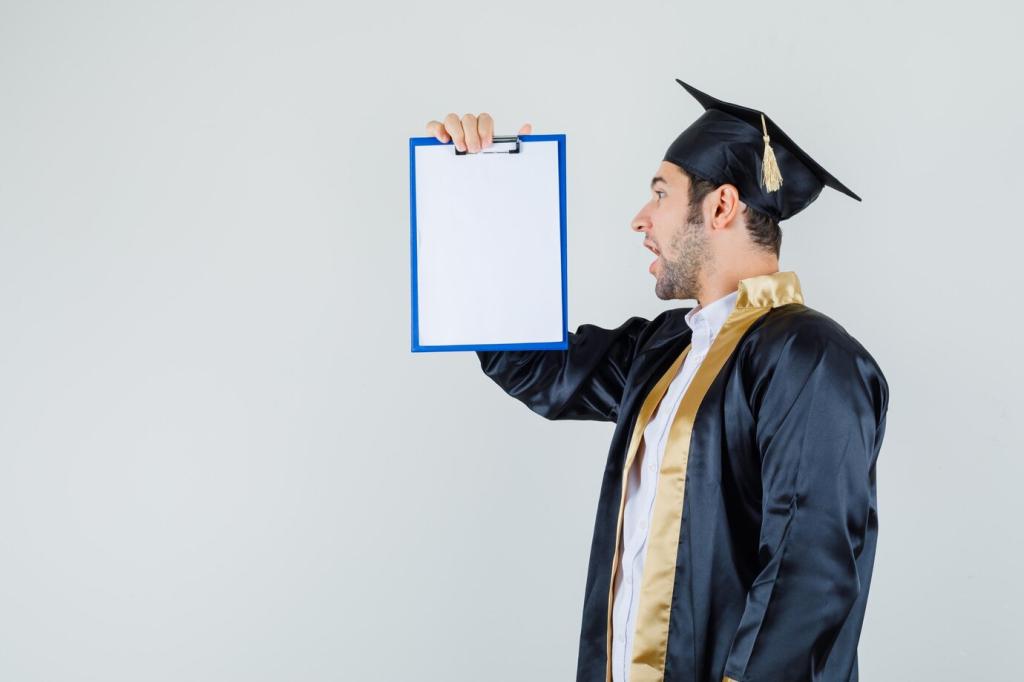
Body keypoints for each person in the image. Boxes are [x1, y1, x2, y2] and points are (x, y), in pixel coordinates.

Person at [423, 79, 889, 682]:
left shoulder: (808, 356)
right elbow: (533, 365)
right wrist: (480, 191)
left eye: (661, 193)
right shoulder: (667, 347)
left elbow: (807, 578)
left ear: (721, 206)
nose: (640, 219)